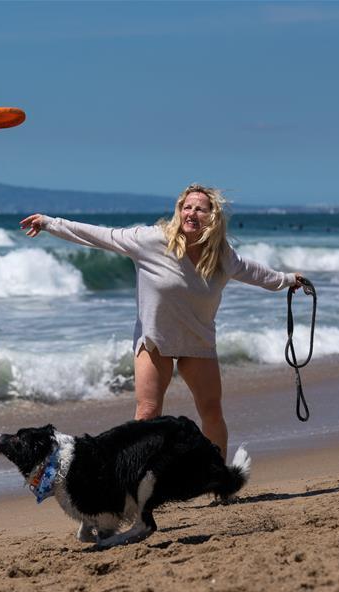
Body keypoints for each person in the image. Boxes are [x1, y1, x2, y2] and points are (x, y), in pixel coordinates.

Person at [20, 183, 302, 458]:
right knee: (147, 414)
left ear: (212, 217)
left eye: (200, 209)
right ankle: (136, 487)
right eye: (186, 207)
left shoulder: (222, 255)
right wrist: (49, 223)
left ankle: (219, 482)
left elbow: (254, 272)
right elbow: (100, 235)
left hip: (197, 339)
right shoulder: (151, 240)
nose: (191, 213)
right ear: (178, 211)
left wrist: (288, 280)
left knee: (212, 411)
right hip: (155, 339)